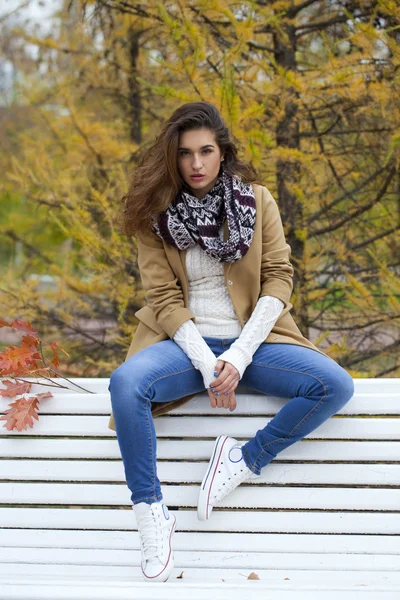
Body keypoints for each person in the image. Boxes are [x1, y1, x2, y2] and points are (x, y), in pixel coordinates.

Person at [108, 101, 355, 582]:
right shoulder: (154, 215)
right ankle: (152, 516)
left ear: (222, 153)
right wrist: (207, 364)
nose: (196, 164)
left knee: (335, 385)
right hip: (184, 345)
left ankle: (243, 458)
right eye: (185, 154)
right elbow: (162, 297)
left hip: (254, 343)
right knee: (125, 384)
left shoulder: (257, 201)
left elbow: (279, 279)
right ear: (172, 158)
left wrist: (238, 357)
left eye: (205, 151)